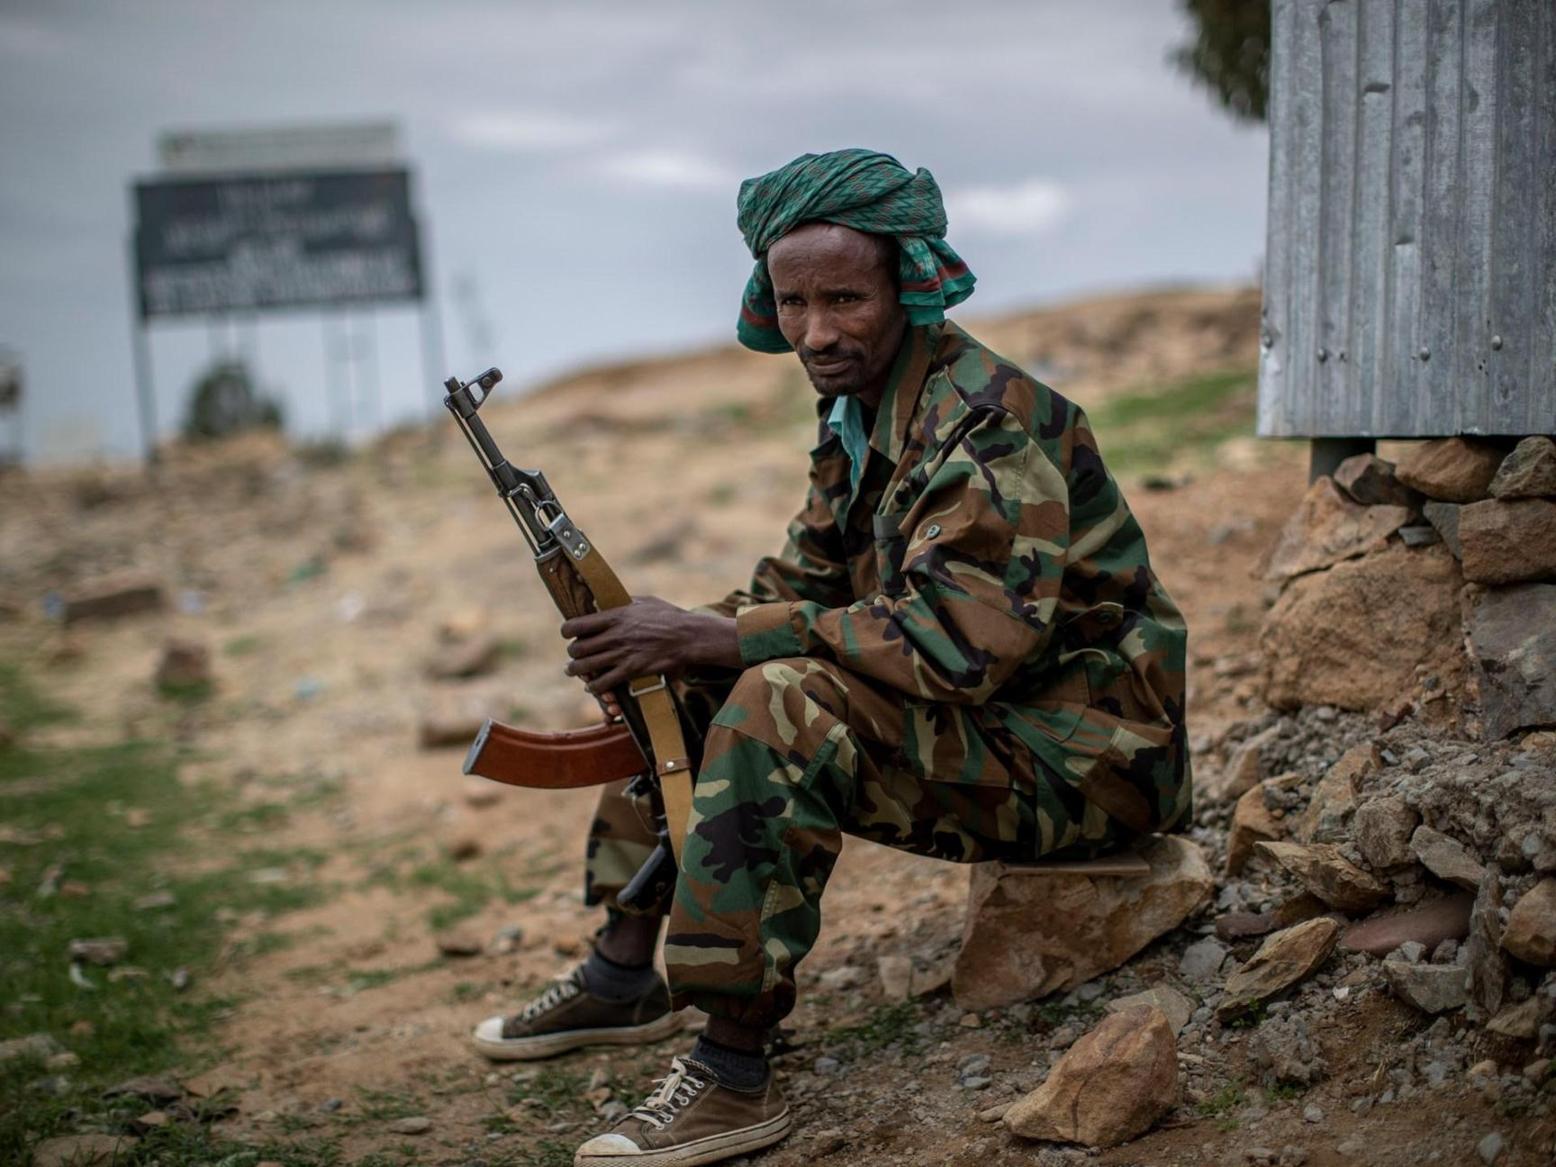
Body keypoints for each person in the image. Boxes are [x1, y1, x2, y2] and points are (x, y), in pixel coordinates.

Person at [471, 148, 1192, 1167]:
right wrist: (657, 636)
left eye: (844, 299)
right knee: (684, 675)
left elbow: (957, 647)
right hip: (997, 729)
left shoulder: (984, 433)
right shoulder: (860, 406)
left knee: (776, 699)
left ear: (907, 282)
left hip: (1087, 760)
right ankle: (623, 969)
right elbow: (802, 584)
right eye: (793, 301)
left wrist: (722, 637)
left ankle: (729, 1072)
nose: (815, 332)